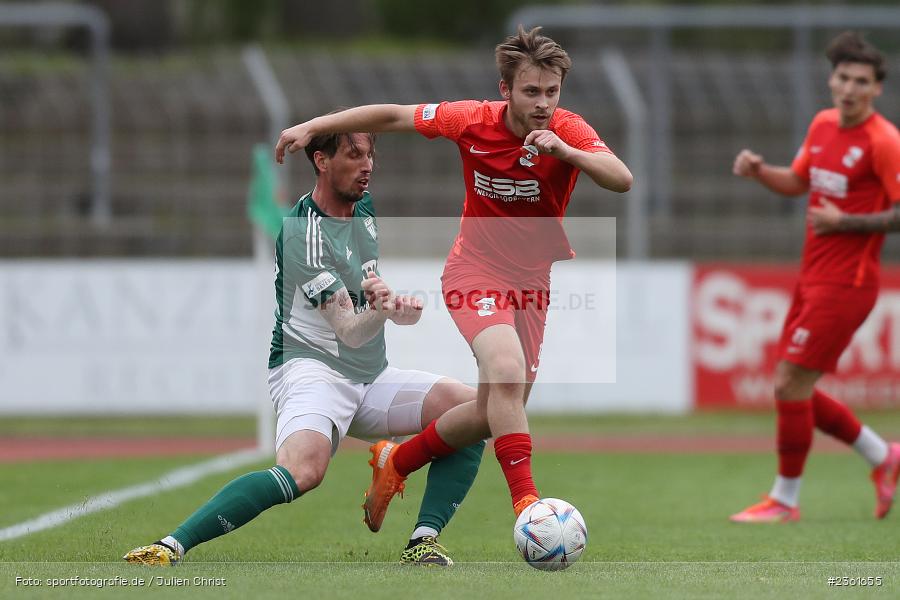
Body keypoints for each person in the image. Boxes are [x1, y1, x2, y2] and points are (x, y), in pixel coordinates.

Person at [275, 26, 632, 531]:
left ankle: (395, 462)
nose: (543, 103)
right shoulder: (471, 120)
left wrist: (567, 153)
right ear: (505, 90)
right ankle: (528, 507)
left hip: (533, 282)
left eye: (552, 92)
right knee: (505, 372)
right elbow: (394, 115)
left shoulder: (567, 129)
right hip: (475, 270)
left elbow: (621, 178)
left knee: (494, 411)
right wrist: (315, 125)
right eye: (531, 91)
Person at [124, 130, 485, 567]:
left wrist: (391, 307)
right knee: (303, 472)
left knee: (474, 412)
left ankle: (421, 540)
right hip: (312, 371)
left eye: (370, 154)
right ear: (321, 160)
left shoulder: (362, 208)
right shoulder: (303, 234)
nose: (367, 164)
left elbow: (366, 301)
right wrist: (385, 312)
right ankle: (169, 547)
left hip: (369, 374)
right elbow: (349, 329)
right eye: (354, 155)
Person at [730, 31, 900, 523]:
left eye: (861, 81)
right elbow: (799, 182)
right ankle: (882, 456)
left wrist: (844, 222)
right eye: (843, 77)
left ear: (876, 90)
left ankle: (784, 501)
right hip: (812, 276)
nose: (849, 88)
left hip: (848, 283)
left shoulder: (883, 142)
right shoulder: (824, 123)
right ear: (832, 79)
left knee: (788, 382)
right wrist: (762, 172)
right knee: (792, 387)